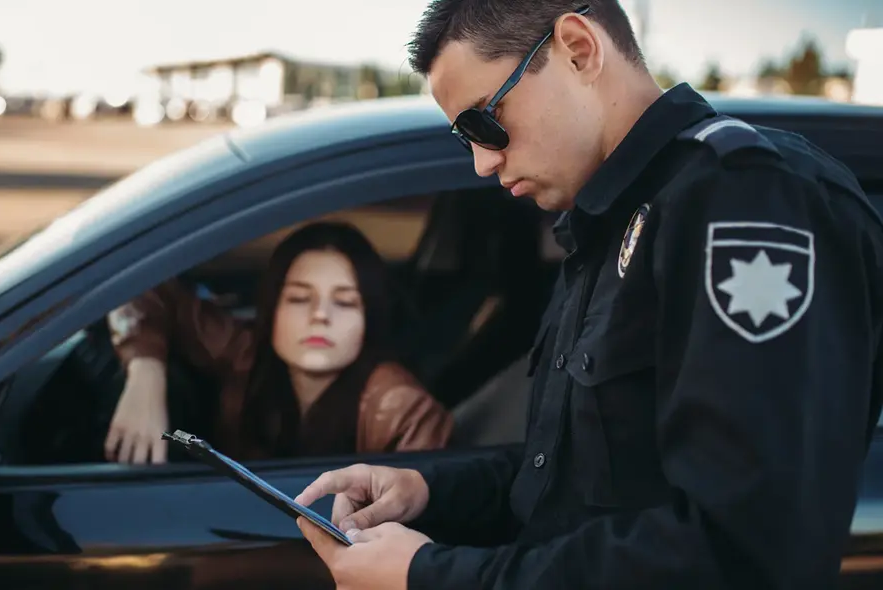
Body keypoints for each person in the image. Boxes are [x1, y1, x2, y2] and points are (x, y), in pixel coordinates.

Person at [292, 1, 883, 589]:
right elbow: (572, 485)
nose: (481, 161)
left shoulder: (744, 202)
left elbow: (739, 552)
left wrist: (430, 577)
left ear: (578, 48)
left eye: (485, 121)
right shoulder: (604, 224)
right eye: (464, 137)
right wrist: (426, 492)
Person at [105, 221, 453, 464]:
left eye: (345, 302)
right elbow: (133, 283)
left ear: (368, 319)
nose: (320, 315)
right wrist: (146, 372)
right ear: (272, 310)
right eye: (300, 299)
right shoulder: (246, 352)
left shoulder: (403, 410)